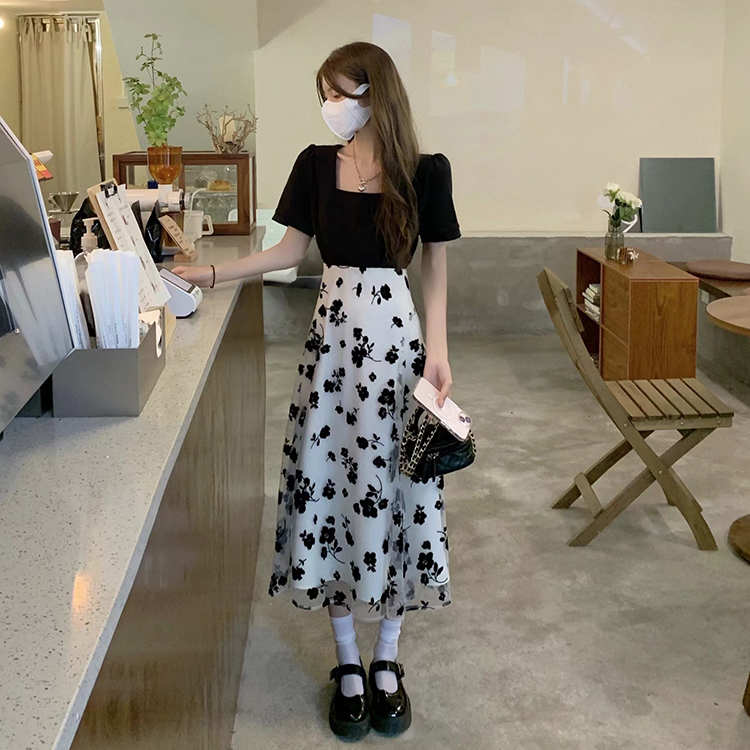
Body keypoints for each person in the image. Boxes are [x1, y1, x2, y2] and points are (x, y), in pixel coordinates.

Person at [173, 41, 460, 741]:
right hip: (331, 355)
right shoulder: (313, 165)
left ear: (374, 94)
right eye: (325, 94)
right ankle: (348, 662)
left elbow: (435, 267)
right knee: (328, 487)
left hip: (396, 355)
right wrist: (211, 275)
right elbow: (288, 251)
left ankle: (387, 657)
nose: (330, 106)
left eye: (340, 93)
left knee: (398, 489)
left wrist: (440, 350)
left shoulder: (425, 171)